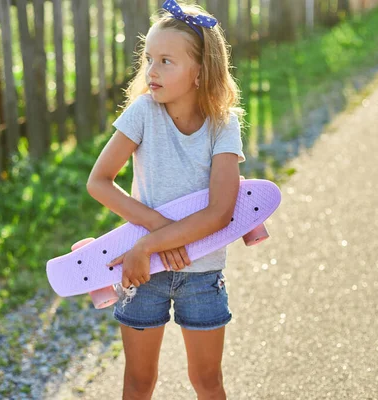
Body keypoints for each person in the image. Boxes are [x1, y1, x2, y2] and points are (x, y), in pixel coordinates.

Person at [85, 0, 245, 398]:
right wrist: (163, 233)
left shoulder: (223, 124)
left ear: (200, 72)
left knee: (207, 381)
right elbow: (99, 181)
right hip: (142, 273)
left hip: (201, 272)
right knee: (139, 382)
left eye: (166, 61)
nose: (151, 71)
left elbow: (221, 212)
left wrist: (151, 243)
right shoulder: (142, 113)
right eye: (148, 59)